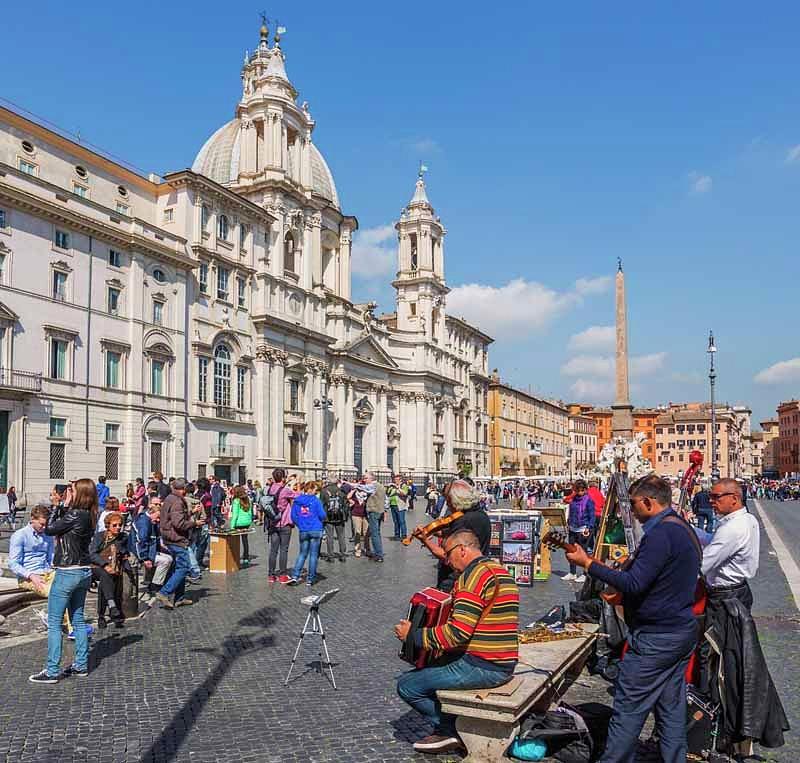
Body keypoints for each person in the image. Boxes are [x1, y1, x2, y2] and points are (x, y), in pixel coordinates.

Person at [563, 475, 701, 763]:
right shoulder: (680, 527)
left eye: (634, 503)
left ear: (649, 502)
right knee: (670, 710)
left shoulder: (662, 534)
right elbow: (657, 581)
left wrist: (588, 563)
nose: (632, 509)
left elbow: (635, 582)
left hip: (656, 638)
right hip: (679, 630)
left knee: (628, 711)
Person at [394, 529, 519, 754]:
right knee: (432, 667)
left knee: (407, 685)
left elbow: (457, 633)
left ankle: (450, 729)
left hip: (484, 665)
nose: (446, 559)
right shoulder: (498, 570)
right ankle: (453, 720)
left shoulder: (471, 577)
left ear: (463, 549)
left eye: (448, 553)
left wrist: (412, 635)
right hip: (504, 660)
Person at [696, 479, 789, 753]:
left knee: (721, 664)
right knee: (731, 662)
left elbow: (703, 564)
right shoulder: (740, 520)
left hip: (725, 601)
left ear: (733, 499)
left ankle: (722, 726)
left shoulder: (734, 528)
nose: (711, 501)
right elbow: (714, 544)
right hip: (735, 595)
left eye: (715, 497)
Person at [29, 478, 97, 683]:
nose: (69, 492)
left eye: (72, 490)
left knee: (54, 622)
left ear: (80, 493)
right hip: (84, 571)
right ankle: (80, 665)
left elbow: (48, 529)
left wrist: (59, 505)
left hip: (68, 571)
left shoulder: (75, 514)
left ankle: (51, 670)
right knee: (77, 620)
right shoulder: (90, 515)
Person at [418, 480, 492, 593]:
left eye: (449, 500)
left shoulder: (464, 520)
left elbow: (447, 556)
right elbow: (458, 535)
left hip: (456, 580)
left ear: (458, 501)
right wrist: (434, 531)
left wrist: (425, 541)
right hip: (474, 574)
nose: (447, 504)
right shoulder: (481, 515)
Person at [8, 505, 64, 630]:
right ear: (32, 519)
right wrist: (31, 575)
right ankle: (69, 626)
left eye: (46, 524)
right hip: (28, 576)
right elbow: (12, 563)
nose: (44, 528)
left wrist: (55, 568)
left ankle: (57, 619)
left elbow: (51, 558)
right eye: (41, 524)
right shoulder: (20, 535)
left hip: (47, 572)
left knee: (68, 587)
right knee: (57, 594)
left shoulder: (47, 535)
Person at [155, 478, 202, 610]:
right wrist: (194, 523)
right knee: (184, 567)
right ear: (182, 489)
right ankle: (164, 592)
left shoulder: (170, 498)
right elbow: (178, 523)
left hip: (169, 536)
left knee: (179, 567)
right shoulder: (176, 501)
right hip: (176, 538)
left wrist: (191, 512)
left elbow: (175, 517)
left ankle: (179, 598)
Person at [88, 511, 128, 628]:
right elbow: (92, 554)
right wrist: (105, 565)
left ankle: (106, 613)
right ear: (108, 526)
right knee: (106, 574)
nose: (118, 527)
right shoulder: (100, 536)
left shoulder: (122, 537)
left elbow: (125, 551)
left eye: (120, 525)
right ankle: (111, 608)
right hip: (97, 566)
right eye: (114, 525)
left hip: (114, 567)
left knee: (106, 582)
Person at [129, 501, 172, 600]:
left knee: (169, 557)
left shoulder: (149, 521)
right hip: (140, 553)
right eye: (157, 517)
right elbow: (141, 542)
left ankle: (156, 583)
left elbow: (154, 538)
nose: (157, 520)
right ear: (151, 513)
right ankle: (155, 586)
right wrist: (145, 559)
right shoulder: (144, 523)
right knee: (166, 561)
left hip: (149, 550)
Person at [287, 481, 326, 586]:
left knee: (302, 554)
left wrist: (301, 524)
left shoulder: (297, 501)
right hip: (316, 529)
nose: (316, 492)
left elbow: (293, 516)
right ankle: (310, 579)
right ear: (312, 489)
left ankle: (295, 576)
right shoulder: (316, 501)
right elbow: (322, 515)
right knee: (313, 555)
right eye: (316, 490)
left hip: (303, 530)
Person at [265, 469, 298, 583]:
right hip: (284, 523)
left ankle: (271, 575)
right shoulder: (286, 490)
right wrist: (295, 485)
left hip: (273, 523)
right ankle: (283, 575)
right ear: (283, 478)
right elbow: (297, 496)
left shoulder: (269, 489)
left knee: (273, 550)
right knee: (284, 549)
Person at [564, 480, 596, 583]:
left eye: (582, 490)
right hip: (573, 528)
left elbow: (592, 516)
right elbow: (570, 510)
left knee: (584, 552)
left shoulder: (588, 501)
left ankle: (584, 573)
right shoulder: (573, 500)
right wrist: (568, 523)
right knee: (571, 551)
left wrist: (589, 527)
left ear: (585, 490)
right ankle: (572, 573)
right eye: (578, 490)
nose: (580, 492)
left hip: (583, 529)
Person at [320, 479, 348, 562]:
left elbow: (321, 504)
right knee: (341, 536)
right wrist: (345, 516)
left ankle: (331, 556)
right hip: (340, 517)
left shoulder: (324, 491)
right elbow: (345, 504)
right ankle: (342, 555)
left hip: (328, 517)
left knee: (330, 537)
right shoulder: (341, 491)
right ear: (336, 482)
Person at [364, 472, 387, 563]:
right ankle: (379, 552)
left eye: (366, 478)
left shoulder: (373, 486)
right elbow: (386, 500)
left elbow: (360, 487)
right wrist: (385, 510)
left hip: (374, 512)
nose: (364, 480)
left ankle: (379, 555)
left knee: (374, 534)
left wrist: (348, 483)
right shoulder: (381, 486)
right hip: (380, 511)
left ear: (371, 479)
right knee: (377, 533)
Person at [228, 485, 253, 566]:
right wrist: (250, 521)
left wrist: (232, 526)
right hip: (247, 522)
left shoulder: (236, 501)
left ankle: (235, 557)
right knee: (245, 540)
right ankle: (246, 558)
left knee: (235, 541)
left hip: (238, 523)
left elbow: (235, 515)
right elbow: (250, 512)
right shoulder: (248, 499)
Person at [387, 474, 410, 541]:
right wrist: (389, 487)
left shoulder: (404, 486)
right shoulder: (392, 486)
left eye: (397, 480)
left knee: (401, 521)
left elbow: (405, 493)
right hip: (392, 505)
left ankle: (404, 535)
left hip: (400, 505)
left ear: (400, 480)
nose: (395, 481)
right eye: (394, 480)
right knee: (395, 521)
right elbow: (388, 493)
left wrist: (398, 488)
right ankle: (397, 535)